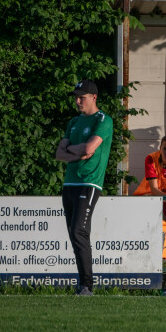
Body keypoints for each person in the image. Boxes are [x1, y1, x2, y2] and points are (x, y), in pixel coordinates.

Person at [55, 79, 113, 296]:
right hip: (70, 182)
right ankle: (83, 284)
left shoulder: (103, 120)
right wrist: (77, 150)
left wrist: (73, 148)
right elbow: (59, 154)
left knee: (78, 230)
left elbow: (90, 148)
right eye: (76, 97)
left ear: (94, 97)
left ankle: (87, 285)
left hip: (89, 182)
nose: (78, 101)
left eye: (82, 97)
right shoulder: (73, 122)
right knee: (74, 233)